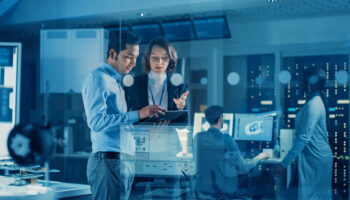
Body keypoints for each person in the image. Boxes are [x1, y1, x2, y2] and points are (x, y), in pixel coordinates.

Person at [81, 31, 166, 200]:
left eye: (135, 57)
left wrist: (146, 134)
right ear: (112, 54)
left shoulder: (116, 82)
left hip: (122, 162)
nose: (133, 63)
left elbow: (119, 127)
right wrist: (138, 114)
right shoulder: (97, 78)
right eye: (129, 57)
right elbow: (96, 122)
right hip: (108, 163)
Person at [274, 67, 333, 200]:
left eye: (301, 81)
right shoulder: (314, 102)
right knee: (295, 195)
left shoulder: (314, 105)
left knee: (304, 196)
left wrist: (283, 164)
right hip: (311, 157)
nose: (298, 84)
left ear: (308, 83)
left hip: (316, 159)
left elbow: (303, 137)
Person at [193, 105, 269, 199]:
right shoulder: (227, 139)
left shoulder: (198, 137)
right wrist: (259, 157)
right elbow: (243, 167)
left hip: (203, 190)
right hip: (223, 190)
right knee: (260, 178)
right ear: (220, 118)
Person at [125, 37, 189, 124]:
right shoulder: (135, 84)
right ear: (148, 59)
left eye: (164, 58)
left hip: (169, 136)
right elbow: (126, 117)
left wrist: (181, 107)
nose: (159, 62)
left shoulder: (178, 87)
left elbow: (183, 124)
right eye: (154, 58)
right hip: (142, 136)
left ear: (170, 60)